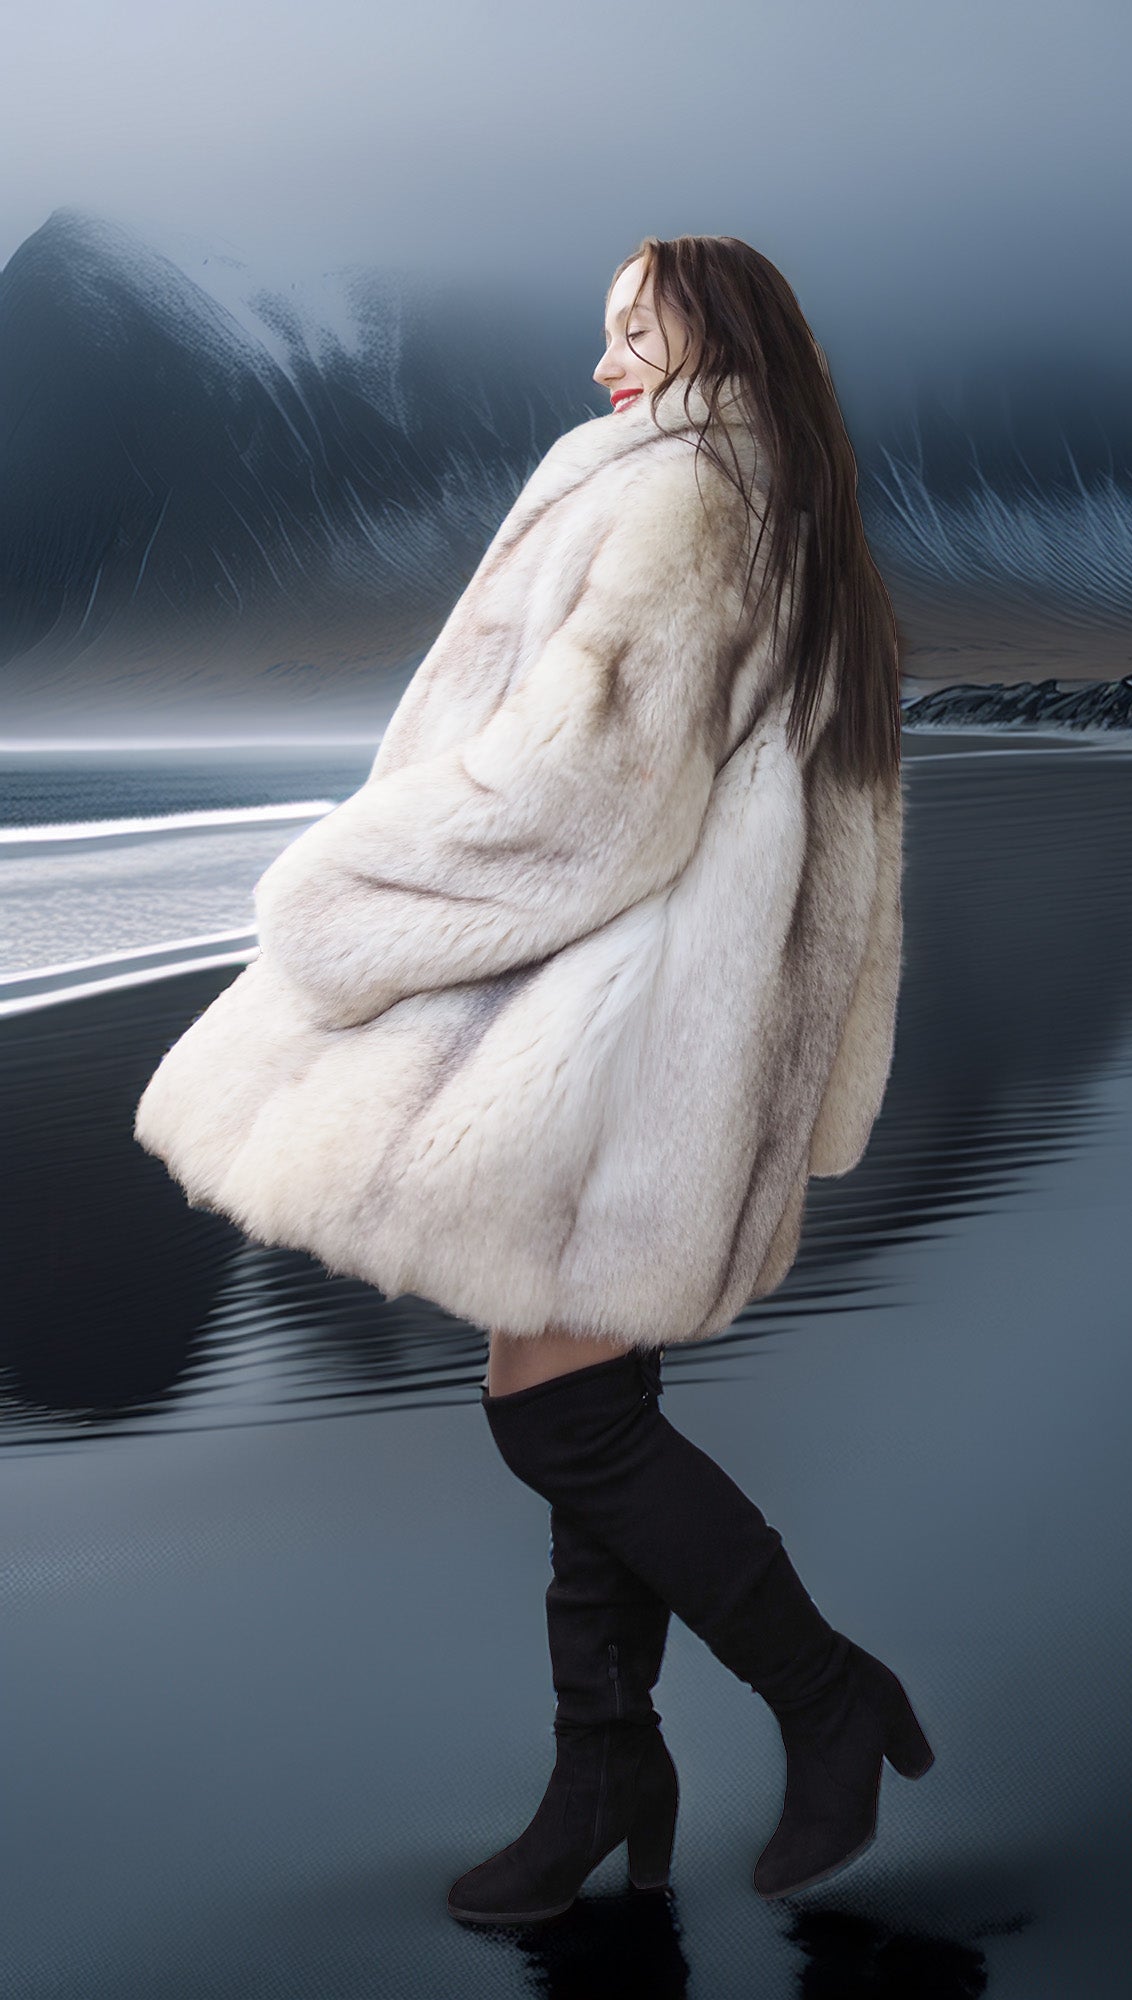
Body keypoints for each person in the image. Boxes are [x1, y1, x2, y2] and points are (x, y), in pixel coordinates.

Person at [133, 233, 928, 1925]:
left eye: (630, 330)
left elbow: (590, 793)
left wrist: (344, 894)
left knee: (556, 1410)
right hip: (682, 1029)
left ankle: (817, 1694)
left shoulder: (680, 494)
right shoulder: (785, 508)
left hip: (617, 1037)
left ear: (714, 333)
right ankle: (604, 1772)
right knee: (586, 1404)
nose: (601, 368)